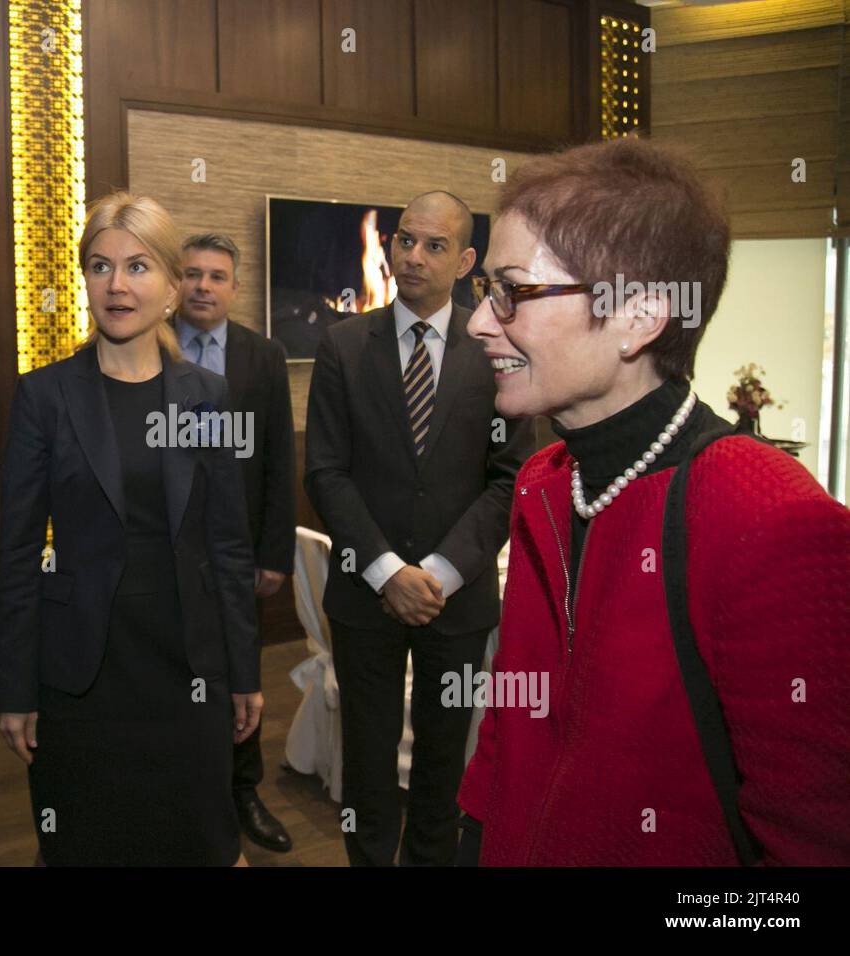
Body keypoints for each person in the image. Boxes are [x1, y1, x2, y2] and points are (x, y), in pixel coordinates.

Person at [458, 137, 850, 865]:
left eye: (512, 289)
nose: (481, 321)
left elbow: (815, 838)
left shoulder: (766, 516)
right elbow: (511, 726)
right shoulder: (545, 479)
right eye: (487, 291)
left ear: (639, 315)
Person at [0, 193, 262, 866]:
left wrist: (243, 670)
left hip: (188, 669)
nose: (117, 284)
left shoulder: (207, 396)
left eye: (138, 266)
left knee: (195, 842)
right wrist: (15, 688)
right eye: (100, 265)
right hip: (82, 678)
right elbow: (19, 554)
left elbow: (229, 542)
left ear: (173, 288)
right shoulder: (44, 396)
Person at [304, 191, 532, 866]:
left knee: (441, 767)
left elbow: (509, 477)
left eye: (434, 246)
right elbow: (326, 473)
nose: (412, 256)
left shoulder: (497, 347)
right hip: (364, 599)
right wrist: (387, 572)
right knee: (367, 771)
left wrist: (434, 574)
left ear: (465, 261)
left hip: (454, 603)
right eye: (404, 240)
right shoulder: (343, 345)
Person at [174, 233, 296, 853]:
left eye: (216, 276)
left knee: (238, 669)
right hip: (166, 548)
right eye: (192, 273)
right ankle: (183, 792)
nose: (203, 286)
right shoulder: (152, 340)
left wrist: (274, 554)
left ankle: (243, 788)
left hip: (239, 550)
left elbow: (279, 457)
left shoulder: (262, 355)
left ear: (234, 286)